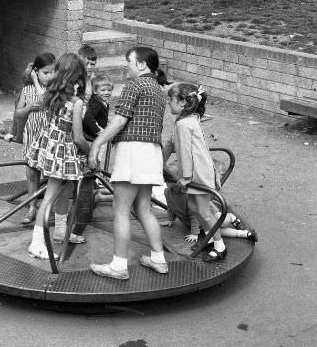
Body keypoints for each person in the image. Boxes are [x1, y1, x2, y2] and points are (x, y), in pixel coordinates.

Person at [88, 47, 168, 280]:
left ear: (142, 65)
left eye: (129, 62)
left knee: (120, 209)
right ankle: (158, 258)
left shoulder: (135, 85)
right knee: (144, 209)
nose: (126, 66)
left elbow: (121, 119)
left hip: (133, 149)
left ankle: (118, 266)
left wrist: (97, 144)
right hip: (152, 151)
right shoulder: (157, 89)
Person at [162, 83, 238, 261]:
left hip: (198, 174)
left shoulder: (183, 124)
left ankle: (220, 246)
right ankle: (211, 240)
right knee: (195, 208)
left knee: (203, 212)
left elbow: (186, 153)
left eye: (170, 99)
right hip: (200, 171)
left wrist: (186, 177)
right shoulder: (190, 119)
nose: (168, 103)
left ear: (182, 103)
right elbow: (174, 145)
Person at [26, 53, 91, 259]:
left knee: (65, 189)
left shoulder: (51, 95)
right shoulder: (76, 103)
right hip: (63, 151)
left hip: (50, 146)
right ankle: (37, 244)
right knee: (49, 198)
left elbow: (41, 95)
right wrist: (91, 152)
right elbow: (79, 138)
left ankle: (61, 231)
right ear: (77, 76)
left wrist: (36, 79)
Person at [8, 53, 56, 225]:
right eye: (45, 73)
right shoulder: (27, 91)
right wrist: (28, 108)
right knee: (31, 171)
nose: (50, 76)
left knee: (50, 172)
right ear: (36, 72)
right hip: (32, 134)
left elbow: (44, 102)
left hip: (49, 136)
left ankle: (50, 207)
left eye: (52, 72)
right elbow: (17, 113)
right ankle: (31, 206)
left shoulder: (54, 90)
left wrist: (36, 81)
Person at [83, 74, 113, 141]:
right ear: (95, 91)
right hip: (90, 137)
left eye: (109, 90)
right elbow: (88, 119)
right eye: (103, 90)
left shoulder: (103, 101)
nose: (106, 93)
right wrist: (99, 132)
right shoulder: (95, 104)